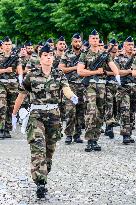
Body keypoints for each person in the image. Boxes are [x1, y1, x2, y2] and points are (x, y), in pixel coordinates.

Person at [12, 44, 78, 198]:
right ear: (40, 58)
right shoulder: (32, 75)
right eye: (45, 55)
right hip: (36, 115)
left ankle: (44, 170)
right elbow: (21, 95)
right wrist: (14, 114)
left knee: (49, 150)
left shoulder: (59, 74)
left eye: (51, 55)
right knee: (38, 148)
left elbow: (66, 89)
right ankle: (40, 183)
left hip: (54, 116)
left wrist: (72, 96)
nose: (49, 57)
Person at [77, 29, 121, 152]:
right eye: (93, 38)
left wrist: (117, 76)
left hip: (101, 86)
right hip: (90, 85)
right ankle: (89, 140)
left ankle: (95, 139)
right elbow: (80, 71)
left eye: (97, 38)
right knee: (91, 111)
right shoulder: (84, 54)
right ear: (90, 40)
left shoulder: (104, 54)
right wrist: (95, 72)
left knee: (100, 113)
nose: (95, 40)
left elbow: (113, 66)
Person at [59, 33, 85, 144]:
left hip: (83, 85)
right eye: (75, 41)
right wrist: (75, 67)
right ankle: (69, 134)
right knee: (70, 111)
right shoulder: (67, 54)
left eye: (79, 41)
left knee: (80, 111)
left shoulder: (85, 54)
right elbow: (61, 68)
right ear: (72, 42)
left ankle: (77, 135)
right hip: (70, 86)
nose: (77, 43)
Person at [0, 36, 23, 139]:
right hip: (1, 83)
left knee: (11, 106)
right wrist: (5, 70)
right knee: (2, 105)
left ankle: (7, 129)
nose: (8, 46)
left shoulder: (16, 57)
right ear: (2, 45)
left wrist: (21, 79)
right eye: (6, 44)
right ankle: (1, 128)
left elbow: (19, 69)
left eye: (9, 44)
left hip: (13, 84)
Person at [115, 36, 135, 144]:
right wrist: (130, 71)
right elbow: (117, 71)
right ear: (124, 46)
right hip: (123, 88)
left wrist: (127, 72)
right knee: (125, 110)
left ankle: (130, 132)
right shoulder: (118, 58)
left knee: (132, 112)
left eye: (132, 45)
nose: (131, 47)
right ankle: (125, 135)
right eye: (129, 45)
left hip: (134, 87)